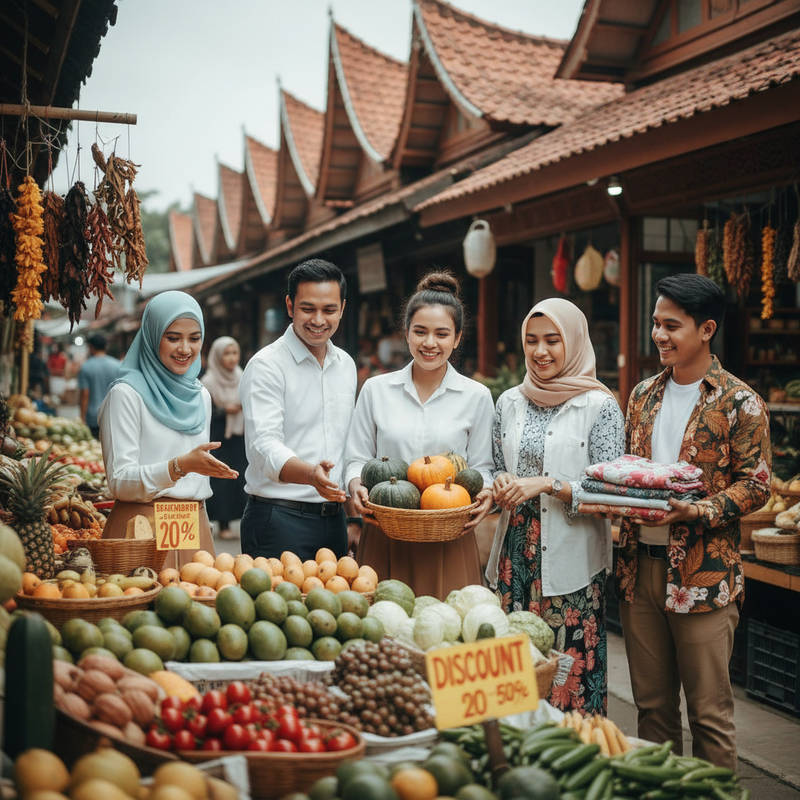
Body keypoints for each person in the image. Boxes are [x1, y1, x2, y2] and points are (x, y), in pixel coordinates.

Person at [617, 274, 771, 769]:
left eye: (671, 325)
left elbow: (757, 484)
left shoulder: (740, 402)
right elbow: (629, 469)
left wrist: (699, 510)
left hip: (704, 574)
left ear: (706, 329)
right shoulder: (642, 395)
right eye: (655, 323)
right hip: (638, 569)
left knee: (709, 716)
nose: (658, 335)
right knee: (652, 709)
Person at [487, 298, 624, 715]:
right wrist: (502, 480)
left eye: (552, 340)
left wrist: (550, 485)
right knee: (514, 675)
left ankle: (573, 749)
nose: (540, 351)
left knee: (568, 674)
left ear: (574, 342)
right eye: (531, 340)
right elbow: (497, 465)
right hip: (515, 556)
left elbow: (611, 493)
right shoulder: (508, 402)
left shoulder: (600, 407)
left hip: (572, 562)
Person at [346, 271, 495, 600]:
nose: (430, 343)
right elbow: (356, 458)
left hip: (449, 534)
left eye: (442, 334)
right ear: (406, 334)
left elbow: (483, 467)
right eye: (420, 331)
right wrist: (355, 485)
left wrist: (486, 491)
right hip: (385, 529)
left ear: (457, 338)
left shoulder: (477, 396)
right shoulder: (375, 390)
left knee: (449, 623)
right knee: (383, 625)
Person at [98, 291, 239, 570]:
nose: (185, 349)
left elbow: (195, 484)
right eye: (173, 338)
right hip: (140, 530)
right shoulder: (126, 395)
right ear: (152, 337)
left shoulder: (201, 395)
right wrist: (178, 467)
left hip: (194, 530)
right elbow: (119, 480)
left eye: (194, 338)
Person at [239, 259, 357, 562]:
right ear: (290, 306)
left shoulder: (346, 365)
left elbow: (347, 445)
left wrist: (352, 518)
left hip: (335, 520)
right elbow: (264, 445)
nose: (318, 320)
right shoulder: (266, 366)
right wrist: (311, 476)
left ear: (342, 309)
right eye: (308, 308)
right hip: (278, 519)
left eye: (329, 310)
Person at [200, 336, 248, 540]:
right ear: (217, 356)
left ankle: (239, 519)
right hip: (218, 439)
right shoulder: (207, 382)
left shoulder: (243, 377)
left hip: (239, 437)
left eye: (234, 352)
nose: (231, 358)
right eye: (226, 353)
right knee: (221, 482)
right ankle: (222, 522)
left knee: (239, 480)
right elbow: (204, 412)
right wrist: (224, 410)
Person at [78, 334, 121, 439]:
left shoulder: (86, 367)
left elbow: (84, 394)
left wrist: (82, 418)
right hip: (113, 414)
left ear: (91, 347)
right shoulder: (117, 365)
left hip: (94, 417)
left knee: (94, 446)